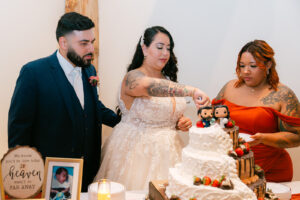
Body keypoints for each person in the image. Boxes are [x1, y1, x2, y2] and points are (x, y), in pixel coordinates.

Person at [8, 12, 120, 191]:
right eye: (84, 43)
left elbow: (91, 107)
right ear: (63, 43)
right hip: (51, 175)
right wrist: (25, 179)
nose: (91, 49)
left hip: (88, 172)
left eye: (92, 42)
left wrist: (125, 121)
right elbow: (19, 129)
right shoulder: (33, 73)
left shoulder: (89, 68)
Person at [94, 26, 210, 190]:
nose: (165, 53)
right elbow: (150, 87)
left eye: (168, 48)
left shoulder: (168, 79)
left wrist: (178, 123)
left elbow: (164, 114)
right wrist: (192, 91)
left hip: (169, 152)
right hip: (137, 153)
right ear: (144, 49)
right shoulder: (133, 77)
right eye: (160, 47)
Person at [213, 40, 300, 182]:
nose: (245, 71)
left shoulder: (283, 94)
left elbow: (296, 137)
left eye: (253, 66)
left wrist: (263, 138)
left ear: (268, 65)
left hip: (271, 172)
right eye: (242, 66)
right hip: (231, 169)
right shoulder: (229, 87)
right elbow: (212, 119)